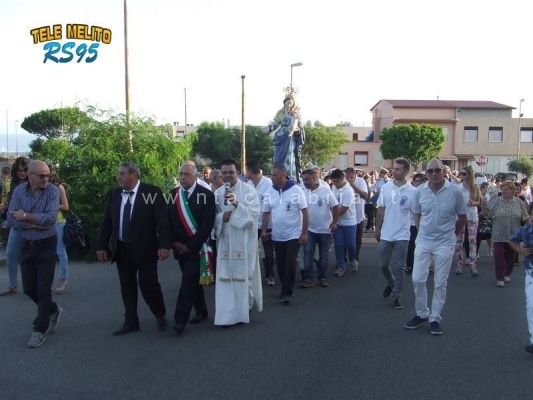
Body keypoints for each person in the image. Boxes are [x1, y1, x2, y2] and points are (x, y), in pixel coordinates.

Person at [97, 162, 170, 336]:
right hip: (122, 248)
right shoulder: (115, 194)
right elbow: (107, 222)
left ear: (133, 175)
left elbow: (162, 221)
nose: (118, 177)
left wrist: (164, 245)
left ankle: (160, 314)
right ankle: (131, 321)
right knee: (127, 287)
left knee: (149, 285)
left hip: (146, 249)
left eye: (122, 174)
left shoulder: (151, 193)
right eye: (119, 174)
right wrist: (101, 246)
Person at [405, 159, 467, 335]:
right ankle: (422, 313)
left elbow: (462, 217)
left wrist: (452, 234)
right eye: (430, 171)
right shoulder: (420, 191)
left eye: (437, 170)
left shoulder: (455, 191)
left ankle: (435, 318)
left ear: (444, 172)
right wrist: (421, 231)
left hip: (445, 242)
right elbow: (417, 213)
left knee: (440, 282)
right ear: (426, 174)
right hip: (424, 241)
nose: (433, 174)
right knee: (417, 279)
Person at [7, 160, 61, 348]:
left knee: (43, 289)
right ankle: (53, 309)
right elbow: (11, 219)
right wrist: (34, 223)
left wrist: (26, 216)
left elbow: (51, 219)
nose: (46, 179)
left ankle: (39, 329)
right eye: (42, 176)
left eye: (48, 175)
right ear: (30, 176)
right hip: (28, 245)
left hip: (47, 243)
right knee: (29, 288)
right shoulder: (18, 192)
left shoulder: (52, 191)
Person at [168, 162, 216, 335]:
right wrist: (174, 243)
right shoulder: (173, 194)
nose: (183, 177)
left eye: (187, 174)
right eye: (181, 174)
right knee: (192, 281)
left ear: (196, 176)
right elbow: (168, 221)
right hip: (179, 247)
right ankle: (202, 311)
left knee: (187, 281)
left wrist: (190, 246)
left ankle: (180, 320)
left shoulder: (206, 195)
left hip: (197, 248)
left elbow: (207, 224)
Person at [213, 159, 262, 326]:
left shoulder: (249, 191)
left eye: (231, 172)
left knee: (244, 277)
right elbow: (213, 217)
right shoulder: (218, 193)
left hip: (244, 240)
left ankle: (243, 310)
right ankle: (226, 314)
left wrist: (236, 204)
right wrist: (221, 218)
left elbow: (254, 215)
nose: (227, 175)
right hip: (226, 241)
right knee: (225, 278)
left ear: (238, 173)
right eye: (224, 173)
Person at [261, 165, 308, 304]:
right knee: (281, 264)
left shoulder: (296, 190)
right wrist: (264, 230)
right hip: (277, 234)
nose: (272, 178)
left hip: (294, 233)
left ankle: (286, 292)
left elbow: (305, 212)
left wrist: (304, 233)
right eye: (271, 175)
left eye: (274, 175)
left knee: (290, 262)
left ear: (283, 175)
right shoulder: (270, 191)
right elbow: (266, 212)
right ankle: (286, 287)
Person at [374, 159, 416, 309]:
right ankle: (390, 282)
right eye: (394, 168)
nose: (394, 171)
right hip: (386, 232)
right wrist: (377, 228)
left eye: (398, 169)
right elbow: (381, 208)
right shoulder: (386, 187)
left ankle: (397, 296)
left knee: (399, 267)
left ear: (406, 171)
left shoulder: (412, 191)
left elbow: (416, 213)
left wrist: (420, 231)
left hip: (402, 235)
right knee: (383, 264)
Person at [481, 180, 530, 287]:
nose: (503, 191)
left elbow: (526, 217)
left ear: (512, 190)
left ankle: (505, 273)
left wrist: (530, 230)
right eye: (502, 189)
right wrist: (483, 205)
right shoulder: (496, 201)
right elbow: (486, 214)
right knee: (498, 257)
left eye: (506, 190)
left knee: (511, 259)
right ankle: (500, 277)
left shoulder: (519, 202)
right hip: (498, 234)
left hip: (513, 236)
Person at [300, 169, 338, 288]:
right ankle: (308, 278)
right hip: (309, 230)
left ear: (313, 178)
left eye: (307, 179)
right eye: (303, 180)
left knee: (323, 256)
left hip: (325, 229)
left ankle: (323, 277)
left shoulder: (325, 190)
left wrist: (334, 222)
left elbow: (335, 206)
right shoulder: (302, 191)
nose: (304, 182)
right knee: (307, 254)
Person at [0, 157, 29, 296]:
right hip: (16, 224)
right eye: (19, 170)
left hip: (30, 224)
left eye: (25, 170)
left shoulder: (33, 184)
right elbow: (9, 202)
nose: (22, 173)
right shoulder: (12, 184)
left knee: (28, 257)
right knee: (11, 254)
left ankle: (31, 287)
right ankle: (13, 285)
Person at [246, 159, 275, 286]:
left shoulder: (268, 183)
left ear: (250, 171)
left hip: (267, 224)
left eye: (246, 170)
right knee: (251, 251)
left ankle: (270, 275)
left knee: (268, 252)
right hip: (252, 224)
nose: (245, 173)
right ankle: (251, 276)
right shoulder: (248, 184)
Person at [507, 225, 533, 355]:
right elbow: (511, 240)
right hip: (531, 273)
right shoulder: (525, 231)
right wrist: (520, 250)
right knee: (531, 305)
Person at [267, 93, 305, 181]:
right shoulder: (280, 113)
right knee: (278, 155)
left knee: (289, 153)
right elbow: (276, 123)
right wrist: (270, 127)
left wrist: (294, 129)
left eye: (291, 103)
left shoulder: (294, 113)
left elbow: (298, 125)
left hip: (289, 137)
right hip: (280, 135)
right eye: (288, 103)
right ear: (284, 103)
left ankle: (289, 175)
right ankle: (277, 173)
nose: (289, 105)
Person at [455, 166, 482, 276]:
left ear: (470, 175)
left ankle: (473, 265)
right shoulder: (458, 188)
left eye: (464, 174)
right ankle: (459, 263)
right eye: (460, 173)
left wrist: (473, 203)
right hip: (460, 216)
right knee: (459, 241)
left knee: (472, 241)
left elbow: (479, 201)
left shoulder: (475, 187)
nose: (462, 175)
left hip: (472, 216)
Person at [47, 164, 70, 294]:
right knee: (45, 252)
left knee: (60, 251)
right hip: (43, 223)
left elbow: (65, 206)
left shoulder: (58, 187)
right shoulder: (39, 187)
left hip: (57, 222)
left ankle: (63, 279)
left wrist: (51, 206)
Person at [330, 169, 357, 276]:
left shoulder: (348, 191)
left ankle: (352, 259)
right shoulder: (333, 187)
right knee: (339, 245)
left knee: (351, 245)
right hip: (338, 223)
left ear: (342, 179)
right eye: (333, 181)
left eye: (336, 181)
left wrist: (332, 218)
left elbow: (344, 209)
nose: (334, 184)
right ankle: (341, 266)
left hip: (349, 222)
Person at [345, 167, 368, 270]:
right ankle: (343, 259)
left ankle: (355, 258)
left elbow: (365, 196)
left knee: (357, 239)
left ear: (355, 175)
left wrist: (353, 185)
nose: (349, 179)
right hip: (347, 216)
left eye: (352, 177)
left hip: (358, 216)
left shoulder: (361, 181)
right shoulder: (343, 182)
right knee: (345, 240)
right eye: (347, 177)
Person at [406, 173, 425, 274]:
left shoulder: (426, 192)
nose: (417, 183)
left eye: (420, 181)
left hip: (424, 223)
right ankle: (410, 265)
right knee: (412, 244)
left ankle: (424, 265)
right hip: (412, 222)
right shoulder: (412, 192)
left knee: (423, 246)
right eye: (416, 181)